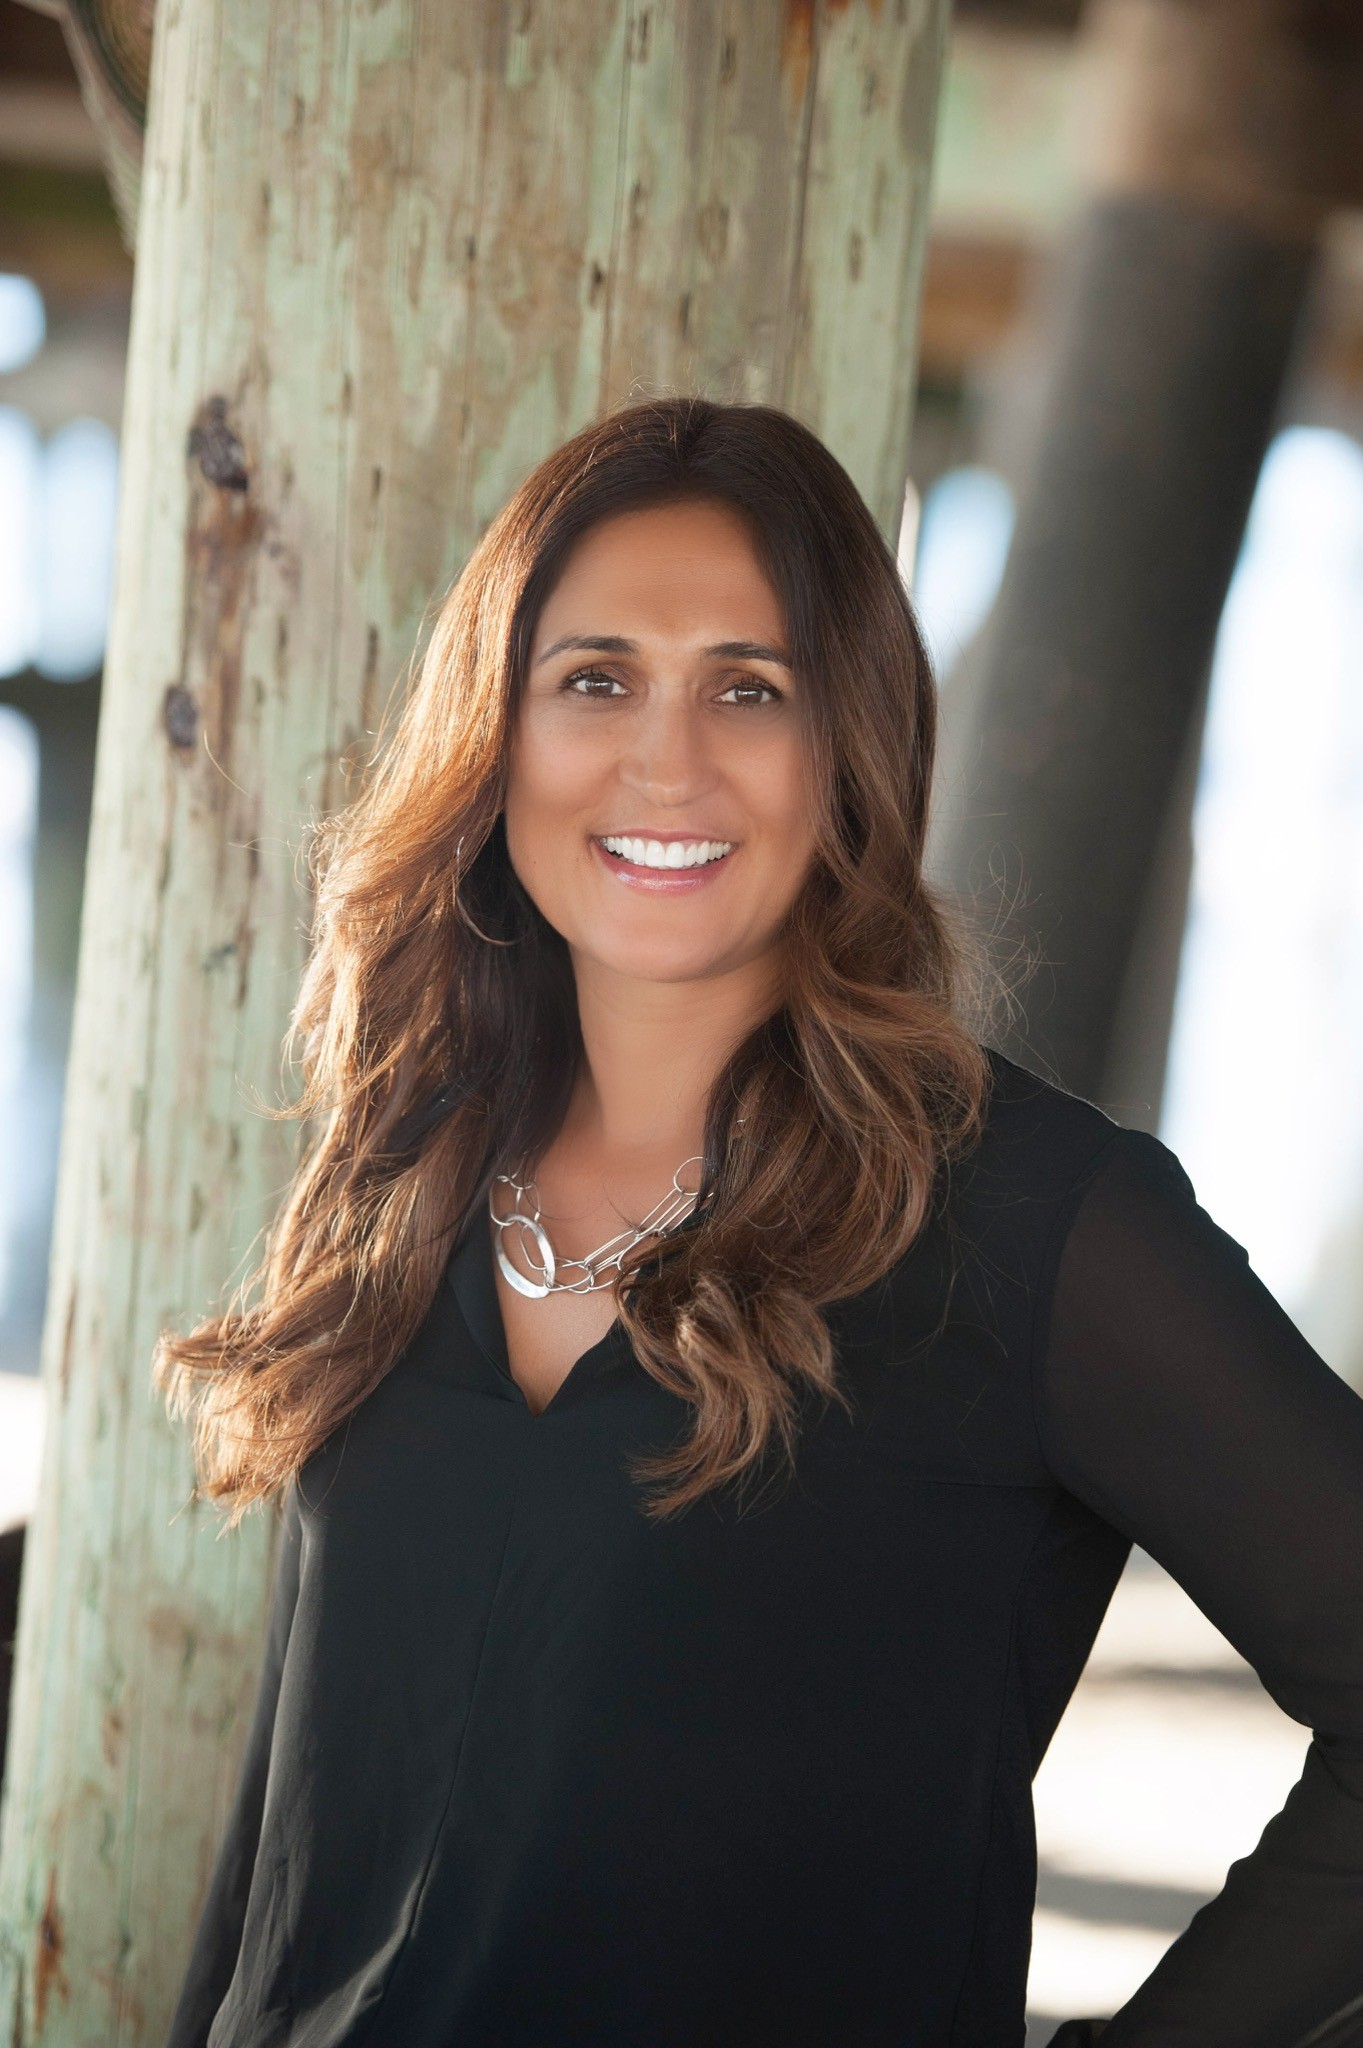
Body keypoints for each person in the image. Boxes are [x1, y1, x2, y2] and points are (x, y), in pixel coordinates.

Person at [158, 397, 1363, 2048]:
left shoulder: (1034, 1223)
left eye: (749, 688)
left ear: (850, 742)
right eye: (596, 681)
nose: (666, 759)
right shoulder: (409, 1164)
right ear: (497, 732)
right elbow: (282, 1855)